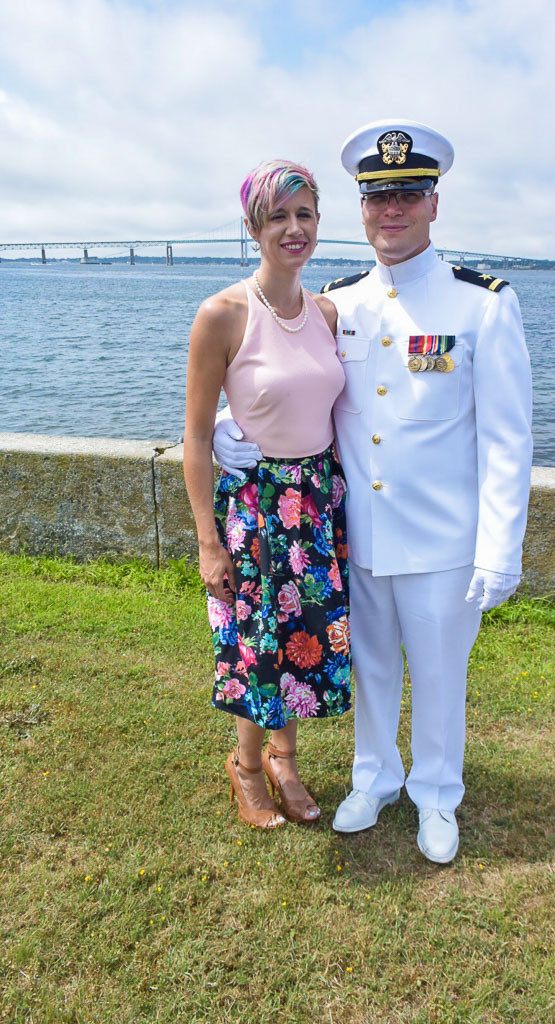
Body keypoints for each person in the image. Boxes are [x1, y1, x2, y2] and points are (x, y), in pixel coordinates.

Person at [214, 121, 532, 862]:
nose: (393, 210)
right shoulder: (336, 302)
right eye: (378, 197)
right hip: (354, 535)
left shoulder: (482, 304)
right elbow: (285, 378)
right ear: (361, 208)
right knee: (374, 667)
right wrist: (231, 426)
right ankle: (374, 777)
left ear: (433, 204)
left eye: (409, 195)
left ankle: (436, 794)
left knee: (440, 675)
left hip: (443, 540)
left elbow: (507, 439)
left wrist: (501, 550)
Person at [184, 160, 351, 830]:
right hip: (254, 507)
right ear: (253, 227)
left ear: (318, 222)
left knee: (303, 638)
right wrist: (207, 541)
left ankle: (286, 761)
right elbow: (196, 437)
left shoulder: (328, 313)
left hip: (315, 499)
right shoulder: (221, 314)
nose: (293, 228)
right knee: (256, 646)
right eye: (277, 216)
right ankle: (247, 766)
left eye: (304, 214)